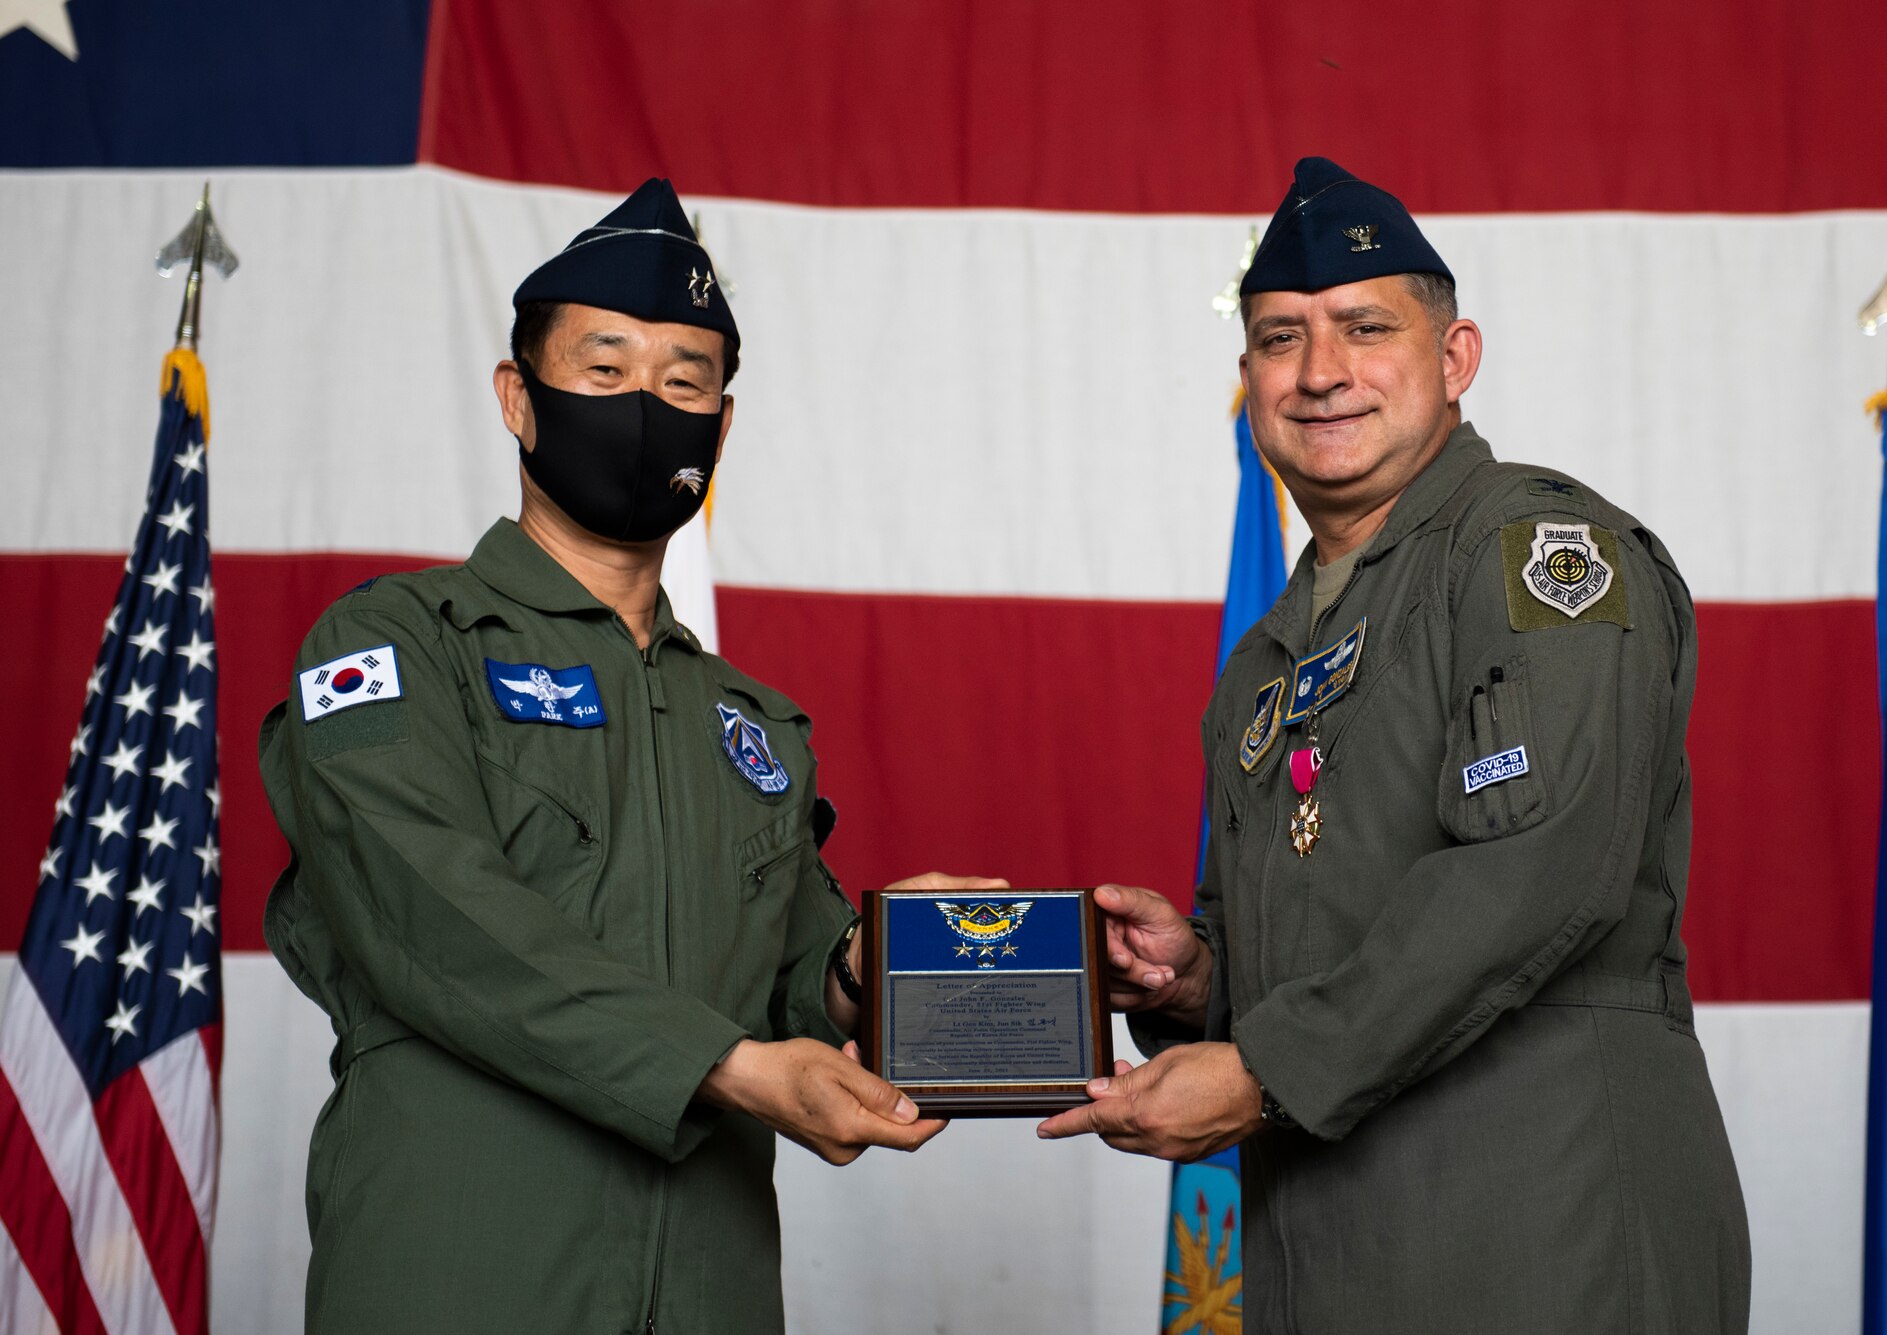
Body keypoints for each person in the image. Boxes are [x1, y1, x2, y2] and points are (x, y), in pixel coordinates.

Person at [259, 177, 998, 1335]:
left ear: (722, 421)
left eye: (682, 380)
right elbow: (435, 917)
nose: (644, 403)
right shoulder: (397, 644)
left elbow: (795, 982)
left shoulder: (749, 725)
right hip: (456, 1272)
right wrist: (735, 1070)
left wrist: (876, 961)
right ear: (519, 396)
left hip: (709, 1284)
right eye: (603, 371)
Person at [1040, 158, 1752, 1332]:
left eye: (1364, 329)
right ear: (1246, 380)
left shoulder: (1533, 551)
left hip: (1539, 1218)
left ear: (1454, 357)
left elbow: (1539, 872)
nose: (1320, 374)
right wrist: (1197, 978)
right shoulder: (1269, 657)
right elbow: (1325, 922)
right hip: (1320, 1238)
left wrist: (1264, 1072)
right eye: (1280, 340)